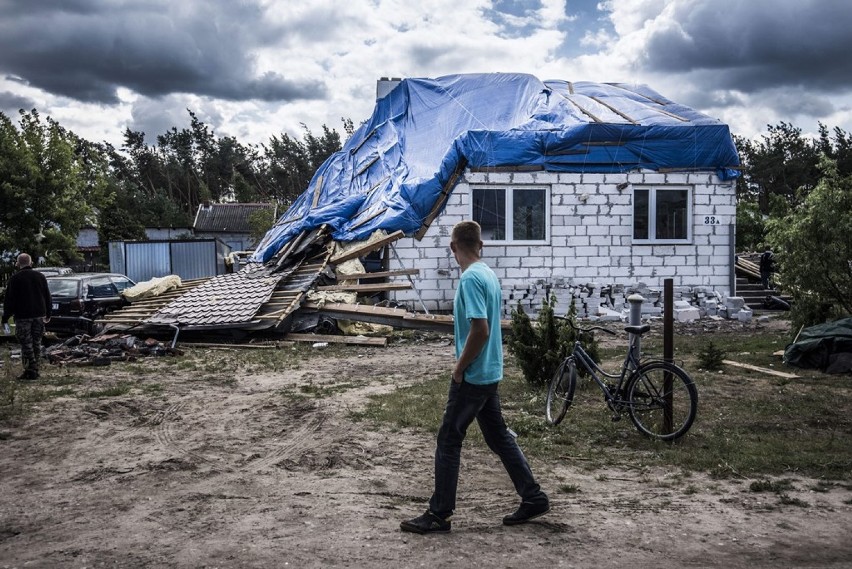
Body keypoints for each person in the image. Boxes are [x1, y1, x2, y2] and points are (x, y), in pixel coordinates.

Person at [400, 220, 549, 534]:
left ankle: (439, 513)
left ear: (454, 247)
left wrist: (459, 367)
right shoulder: (488, 274)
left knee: (449, 439)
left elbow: (480, 330)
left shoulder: (470, 279)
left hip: (474, 375)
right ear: (480, 245)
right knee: (499, 438)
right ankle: (533, 497)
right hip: (490, 372)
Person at [1, 253, 52, 380]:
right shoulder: (40, 277)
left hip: (23, 316)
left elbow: (9, 300)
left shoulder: (15, 279)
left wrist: (5, 317)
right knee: (36, 343)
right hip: (39, 315)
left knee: (26, 344)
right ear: (31, 263)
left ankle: (31, 368)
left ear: (18, 264)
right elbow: (47, 296)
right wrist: (48, 313)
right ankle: (33, 369)